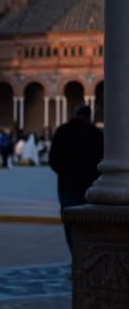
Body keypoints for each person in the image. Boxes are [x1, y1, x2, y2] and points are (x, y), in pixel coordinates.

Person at [49, 104, 104, 251]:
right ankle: (87, 254)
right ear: (89, 116)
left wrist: (64, 172)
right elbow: (102, 160)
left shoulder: (62, 131)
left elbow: (53, 159)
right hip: (88, 185)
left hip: (67, 184)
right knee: (88, 221)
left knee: (70, 220)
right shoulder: (95, 133)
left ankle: (75, 255)